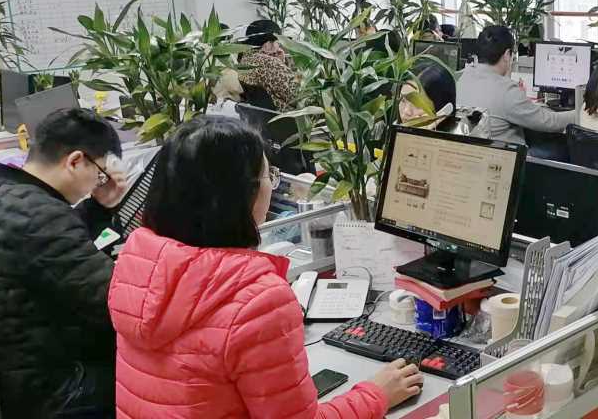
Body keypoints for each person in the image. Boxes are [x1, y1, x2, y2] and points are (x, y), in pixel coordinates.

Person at [108, 117, 421, 418]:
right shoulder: (258, 301)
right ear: (241, 195)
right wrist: (377, 394)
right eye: (269, 175)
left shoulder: (138, 269)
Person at [0, 108, 129, 418]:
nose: (97, 183)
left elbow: (44, 245)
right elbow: (115, 305)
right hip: (32, 392)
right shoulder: (43, 217)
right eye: (100, 174)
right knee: (147, 372)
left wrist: (98, 208)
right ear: (75, 161)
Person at [456, 25, 576, 145]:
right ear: (507, 54)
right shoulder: (507, 91)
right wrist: (581, 112)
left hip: (474, 152)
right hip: (507, 155)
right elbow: (551, 122)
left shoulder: (463, 78)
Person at [239, 19, 300, 111]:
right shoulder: (271, 64)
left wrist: (281, 63)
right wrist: (300, 74)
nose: (279, 46)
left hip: (260, 115)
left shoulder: (245, 60)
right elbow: (298, 94)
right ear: (268, 44)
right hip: (286, 116)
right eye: (278, 41)